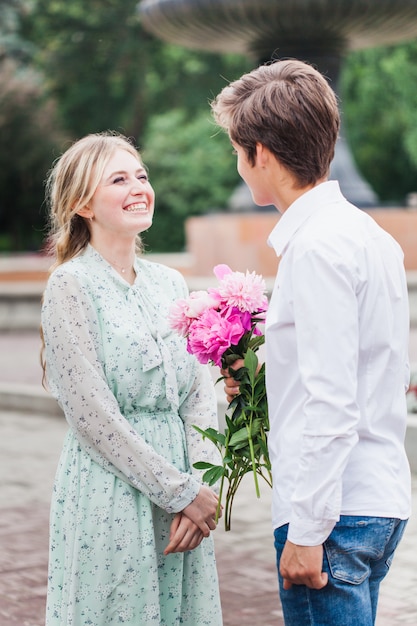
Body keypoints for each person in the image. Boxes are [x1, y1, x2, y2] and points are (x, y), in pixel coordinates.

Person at [211, 59, 411, 625]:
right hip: (378, 499)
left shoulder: (316, 247)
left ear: (262, 155)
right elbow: (389, 369)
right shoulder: (370, 236)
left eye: (236, 150)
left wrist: (308, 529)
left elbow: (332, 399)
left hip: (335, 514)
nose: (239, 163)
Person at [40, 131, 223, 625]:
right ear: (83, 204)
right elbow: (92, 416)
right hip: (111, 493)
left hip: (185, 493)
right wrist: (179, 492)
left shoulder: (171, 283)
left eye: (141, 175)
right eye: (118, 179)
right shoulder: (70, 286)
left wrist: (203, 486)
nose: (138, 187)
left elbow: (199, 397)